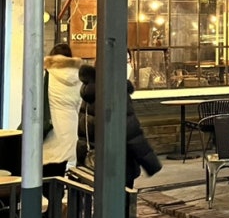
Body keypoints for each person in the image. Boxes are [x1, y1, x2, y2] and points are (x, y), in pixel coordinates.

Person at [77, 49, 161, 188]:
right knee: (122, 199)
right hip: (117, 164)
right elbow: (132, 132)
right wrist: (151, 163)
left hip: (92, 162)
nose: (129, 66)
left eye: (129, 61)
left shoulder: (90, 90)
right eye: (125, 62)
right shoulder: (116, 91)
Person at [42, 42, 83, 200]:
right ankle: (56, 205)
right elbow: (80, 105)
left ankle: (52, 206)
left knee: (44, 173)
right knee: (59, 170)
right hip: (70, 127)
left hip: (50, 128)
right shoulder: (78, 77)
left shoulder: (48, 74)